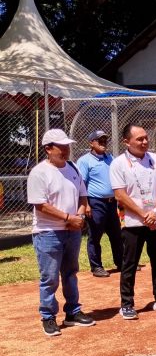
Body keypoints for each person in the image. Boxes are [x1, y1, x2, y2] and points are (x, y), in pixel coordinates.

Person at [27, 129, 94, 336]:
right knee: (50, 277)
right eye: (61, 146)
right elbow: (41, 205)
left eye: (67, 146)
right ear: (48, 149)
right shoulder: (39, 172)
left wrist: (79, 217)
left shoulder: (73, 168)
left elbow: (83, 196)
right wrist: (68, 218)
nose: (66, 150)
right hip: (48, 232)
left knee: (70, 273)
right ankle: (48, 316)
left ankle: (72, 312)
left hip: (72, 230)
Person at [110, 123, 156, 320]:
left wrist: (154, 211)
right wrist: (143, 214)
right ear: (126, 141)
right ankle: (127, 303)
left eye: (146, 138)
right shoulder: (118, 163)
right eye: (139, 139)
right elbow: (120, 195)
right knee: (129, 263)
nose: (145, 142)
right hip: (133, 223)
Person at [76, 129, 123, 277]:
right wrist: (86, 205)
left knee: (116, 234)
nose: (103, 143)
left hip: (111, 203)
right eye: (99, 140)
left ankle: (121, 263)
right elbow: (81, 184)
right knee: (95, 236)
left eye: (105, 140)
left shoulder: (110, 158)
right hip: (95, 202)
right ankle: (96, 267)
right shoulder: (85, 161)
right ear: (91, 143)